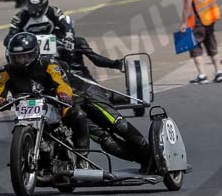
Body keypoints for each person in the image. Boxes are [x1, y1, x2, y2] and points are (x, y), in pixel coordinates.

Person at [56, 35, 152, 171]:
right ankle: (144, 160)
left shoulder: (71, 40)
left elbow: (95, 58)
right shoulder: (27, 64)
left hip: (85, 89)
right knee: (104, 139)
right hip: (67, 103)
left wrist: (115, 64)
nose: (23, 59)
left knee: (115, 123)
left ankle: (150, 156)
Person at [0, 32, 89, 157]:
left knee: (79, 115)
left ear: (34, 53)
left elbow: (61, 84)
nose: (20, 60)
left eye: (24, 56)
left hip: (53, 104)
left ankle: (83, 157)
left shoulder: (49, 64)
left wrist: (63, 94)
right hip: (25, 110)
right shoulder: (5, 71)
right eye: (16, 57)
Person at [180, 0, 222, 85]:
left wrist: (183, 23)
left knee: (195, 48)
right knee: (212, 46)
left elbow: (188, 6)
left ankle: (202, 75)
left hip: (197, 22)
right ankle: (218, 72)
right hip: (210, 19)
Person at [4, 0, 75, 47]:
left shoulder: (53, 11)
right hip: (30, 49)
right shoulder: (21, 16)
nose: (35, 11)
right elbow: (10, 36)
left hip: (55, 44)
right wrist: (13, 42)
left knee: (79, 43)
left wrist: (69, 38)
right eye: (32, 7)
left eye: (38, 7)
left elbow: (66, 25)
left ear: (44, 4)